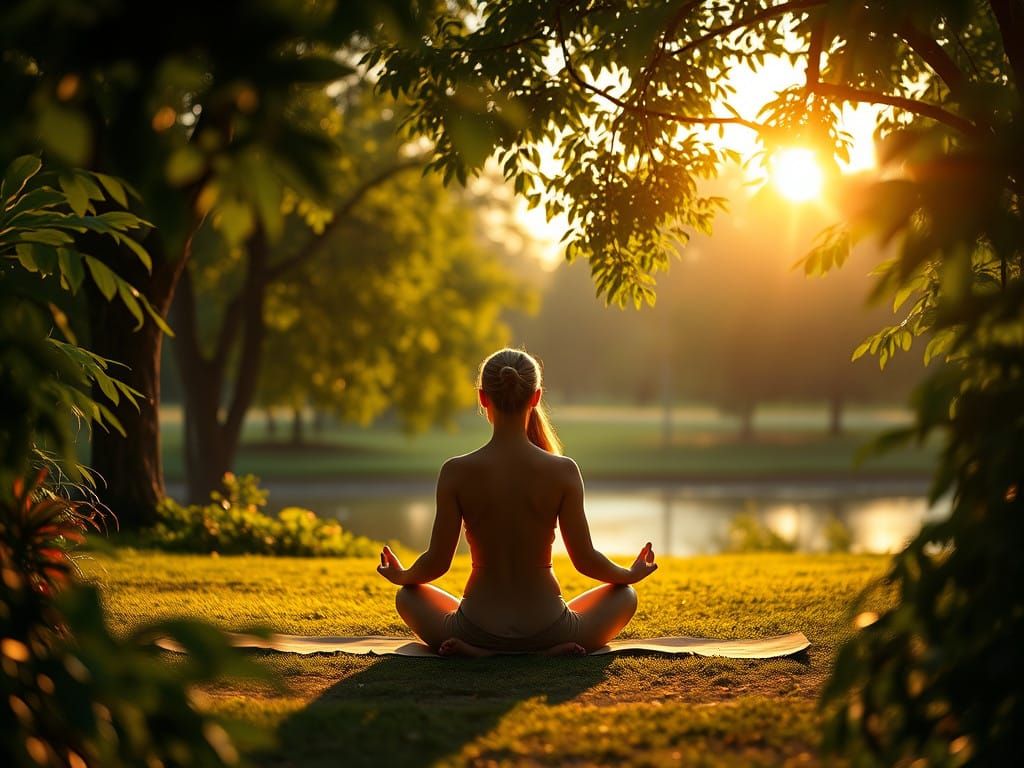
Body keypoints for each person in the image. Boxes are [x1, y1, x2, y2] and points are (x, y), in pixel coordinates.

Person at [376, 347, 658, 657]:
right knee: (626, 596)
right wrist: (629, 575)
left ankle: (487, 653)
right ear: (536, 397)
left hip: (476, 628)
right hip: (549, 628)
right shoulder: (562, 470)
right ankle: (540, 653)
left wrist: (402, 576)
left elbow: (437, 562)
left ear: (483, 398)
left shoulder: (456, 471)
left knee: (407, 596)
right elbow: (585, 559)